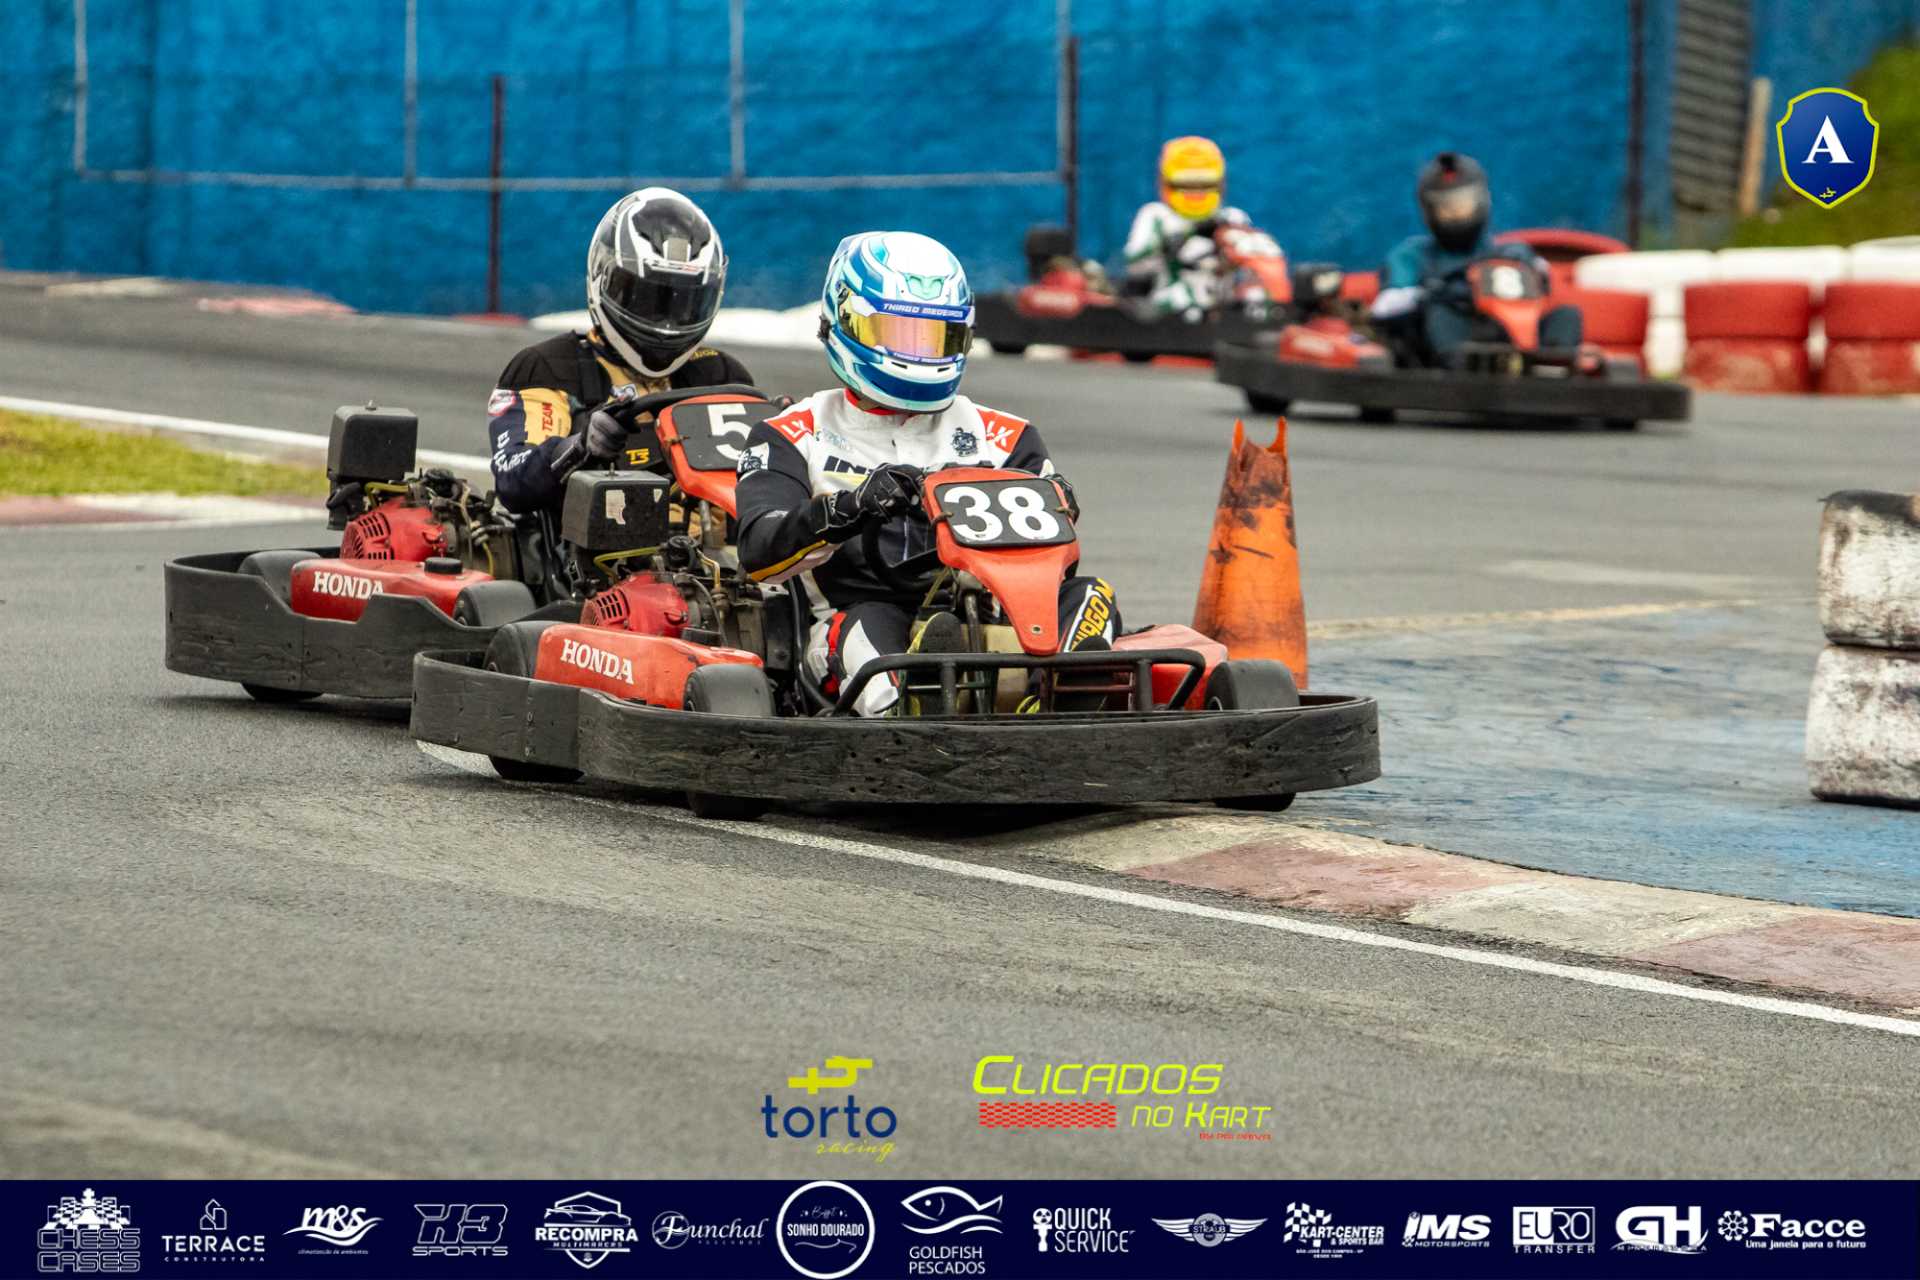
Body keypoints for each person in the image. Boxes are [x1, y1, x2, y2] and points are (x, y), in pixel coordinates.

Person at [733, 230, 1118, 717]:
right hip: (851, 625)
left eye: (935, 338)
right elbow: (760, 551)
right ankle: (913, 705)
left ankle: (1062, 706)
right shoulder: (791, 434)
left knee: (1090, 595)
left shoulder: (1005, 436)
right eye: (899, 334)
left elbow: (1054, 570)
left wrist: (1056, 513)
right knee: (870, 625)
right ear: (847, 320)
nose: (918, 354)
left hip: (994, 624)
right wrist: (849, 508)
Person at [486, 187, 755, 514]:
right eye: (648, 299)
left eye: (684, 303)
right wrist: (578, 446)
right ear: (604, 277)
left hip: (714, 544)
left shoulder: (722, 377)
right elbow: (514, 479)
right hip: (601, 541)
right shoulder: (547, 368)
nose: (666, 324)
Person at [1370, 152, 1582, 366]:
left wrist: (1537, 274)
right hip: (1447, 344)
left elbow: (1545, 285)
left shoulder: (1513, 252)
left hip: (1507, 332)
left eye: (1463, 204)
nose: (1457, 214)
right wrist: (1428, 293)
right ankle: (1461, 373)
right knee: (1440, 313)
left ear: (1482, 200)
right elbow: (1384, 308)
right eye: (1447, 208)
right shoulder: (1412, 255)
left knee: (1567, 316)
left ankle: (1549, 370)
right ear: (1429, 210)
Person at [1123, 136, 1253, 320]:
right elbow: (1135, 265)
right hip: (1169, 306)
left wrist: (1229, 250)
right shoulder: (1155, 216)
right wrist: (1173, 245)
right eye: (1186, 184)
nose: (1196, 191)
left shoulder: (1233, 218)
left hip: (1221, 304)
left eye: (1204, 184)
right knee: (1181, 297)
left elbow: (1249, 267)